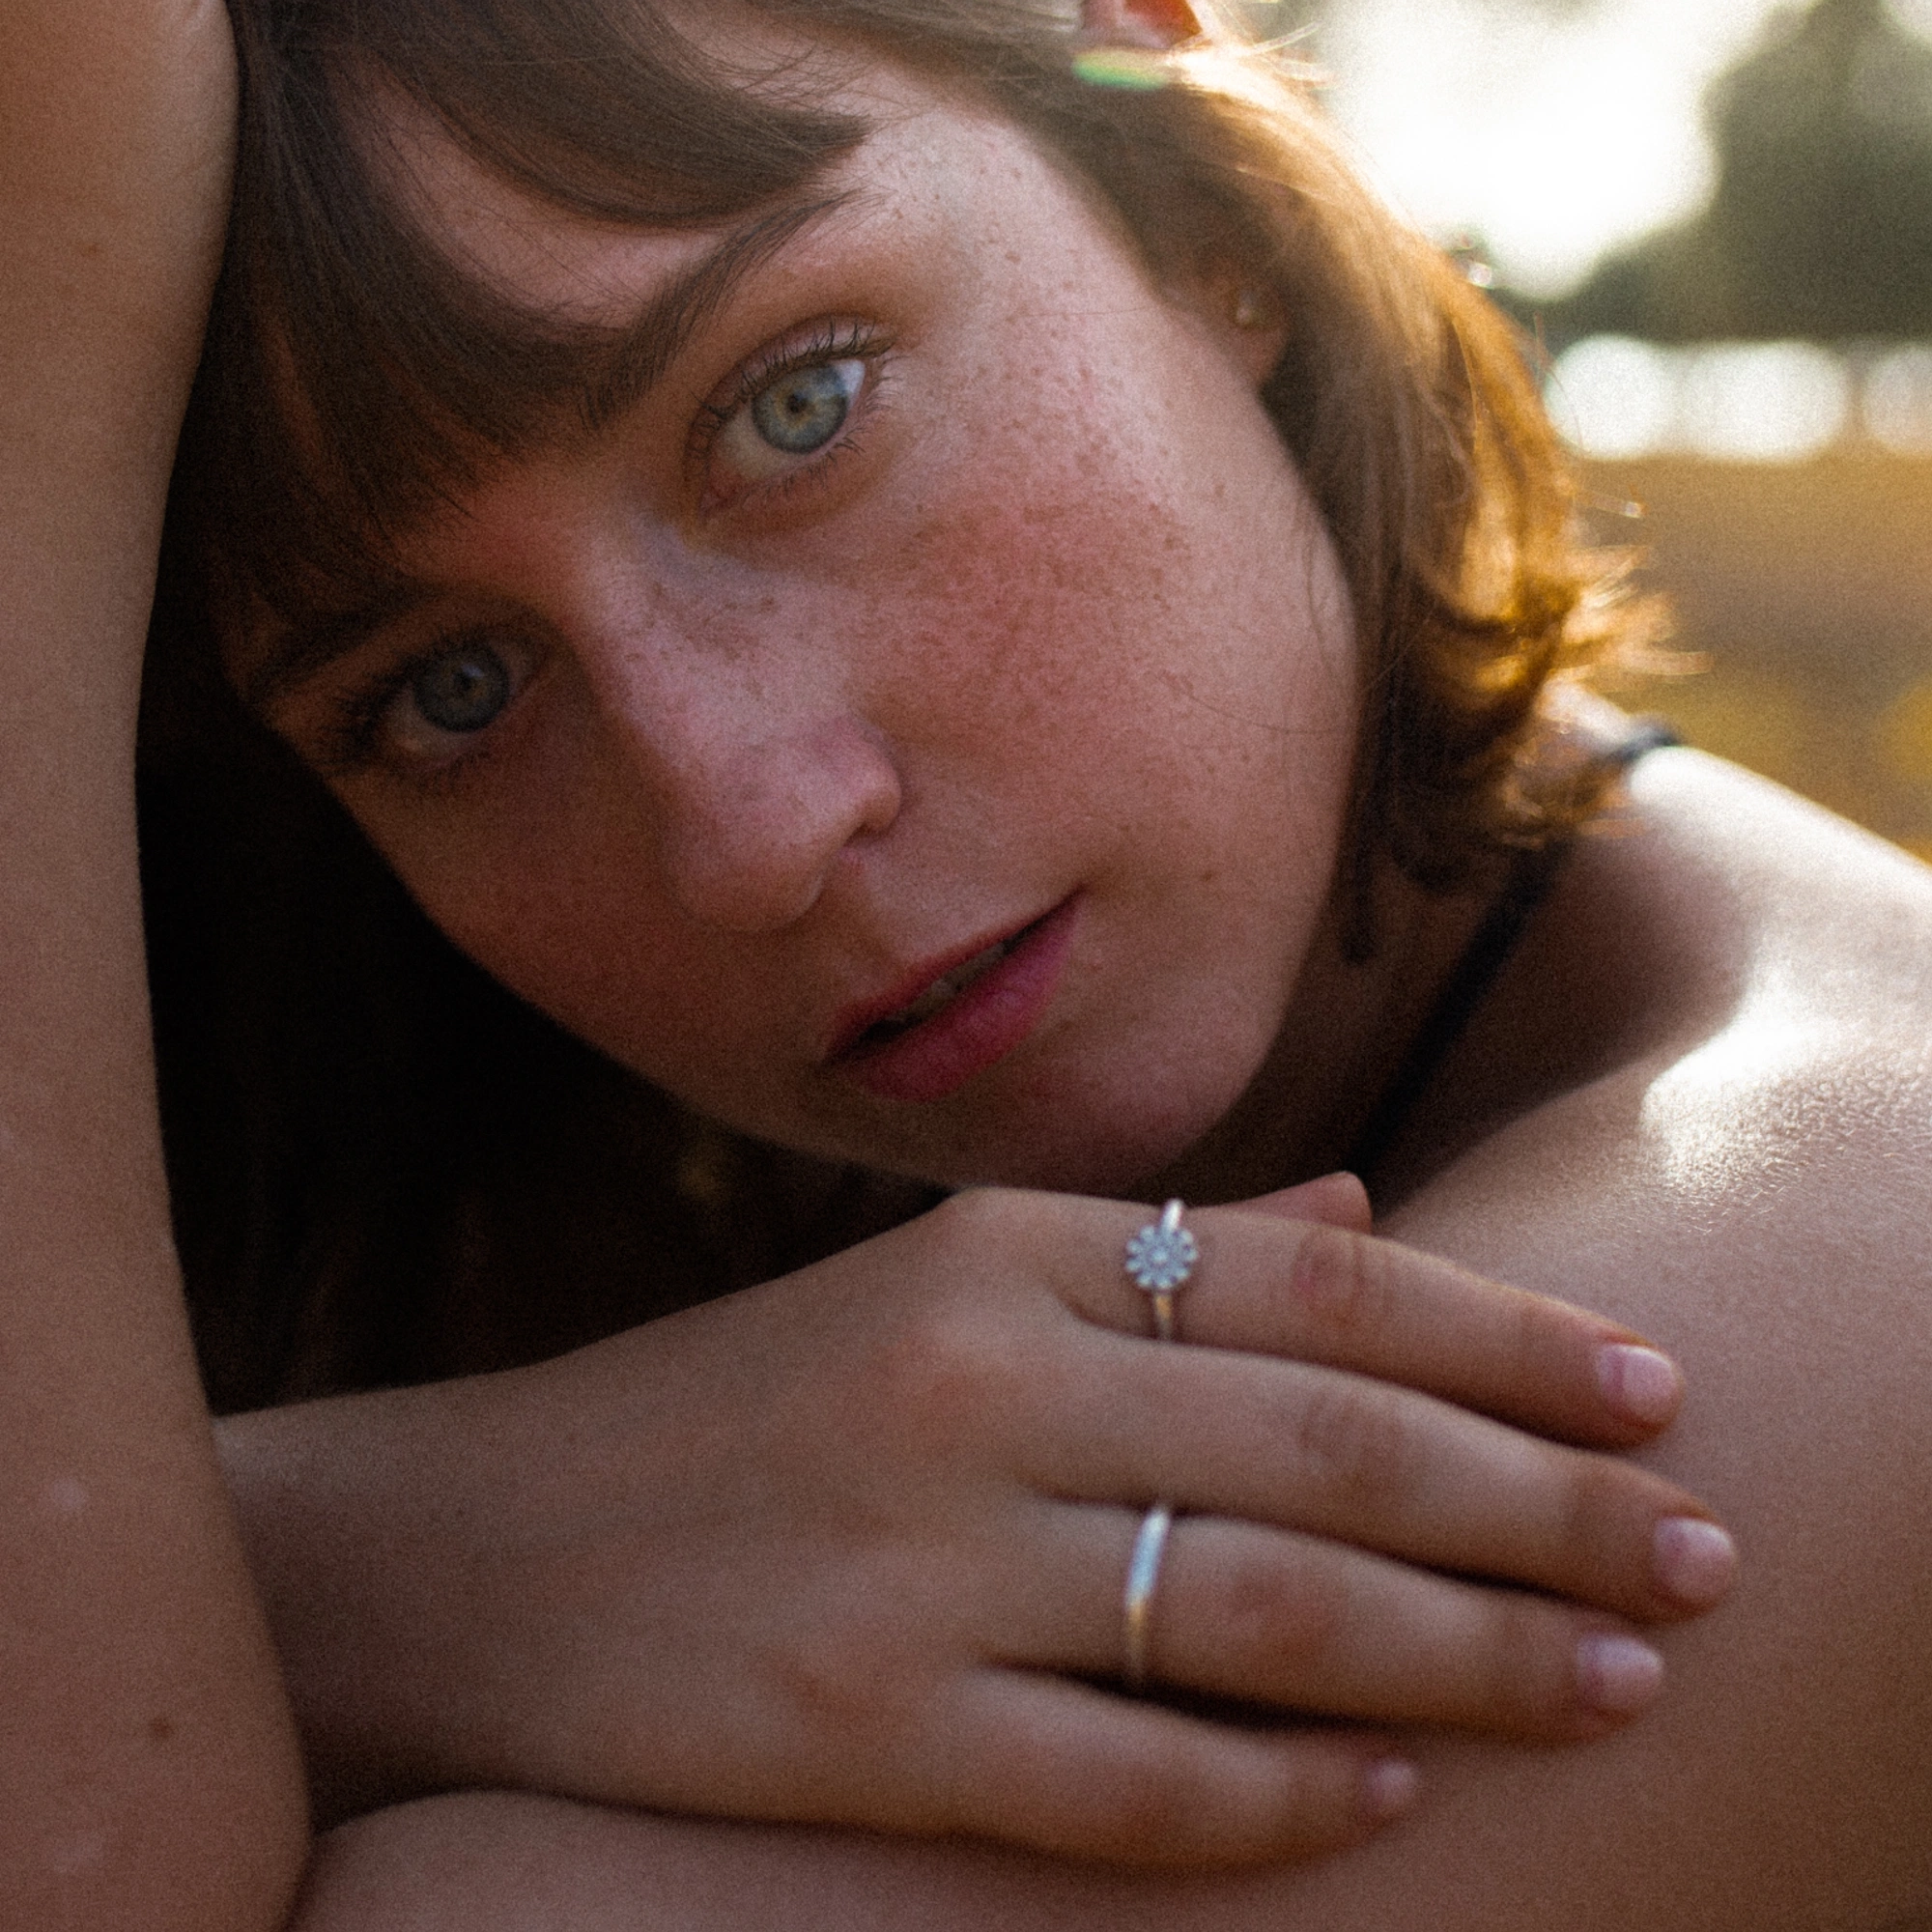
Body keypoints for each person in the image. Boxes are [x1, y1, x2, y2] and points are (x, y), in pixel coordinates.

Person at [2, 0, 1928, 1927]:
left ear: (1190, 197)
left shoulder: (1839, 1257)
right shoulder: (534, 1168)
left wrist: (339, 1560)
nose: (746, 833)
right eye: (453, 690)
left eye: (796, 405)